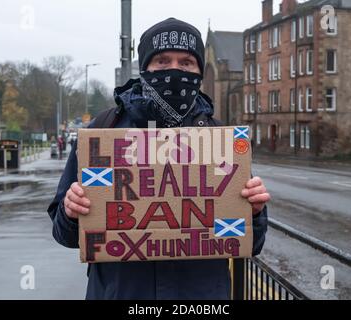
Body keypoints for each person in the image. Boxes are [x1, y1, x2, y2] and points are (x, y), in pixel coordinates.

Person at [48, 18, 270, 300]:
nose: (175, 70)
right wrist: (70, 212)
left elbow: (252, 242)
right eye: (162, 61)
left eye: (187, 62)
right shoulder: (101, 134)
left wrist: (253, 212)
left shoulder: (222, 140)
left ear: (200, 71)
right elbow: (63, 235)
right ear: (145, 68)